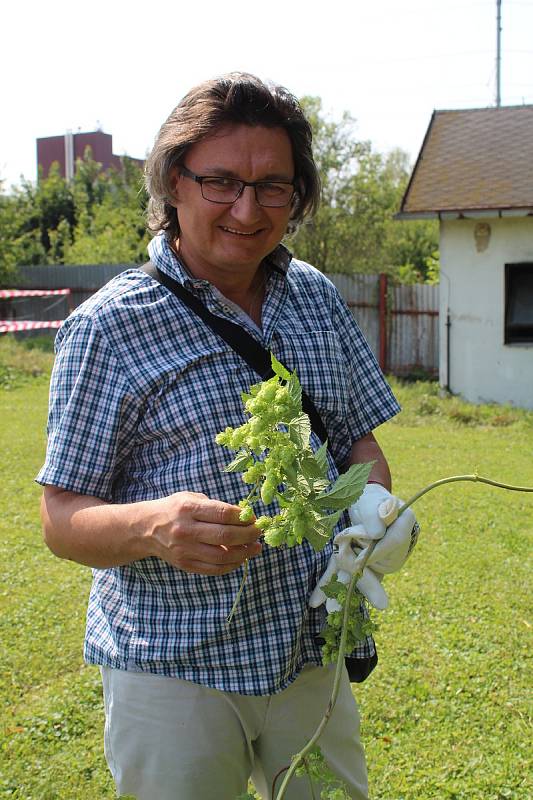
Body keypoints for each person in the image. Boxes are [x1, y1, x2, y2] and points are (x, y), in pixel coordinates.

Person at [37, 73, 417, 800]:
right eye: (220, 182)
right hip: (175, 669)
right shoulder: (107, 326)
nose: (247, 209)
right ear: (172, 184)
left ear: (295, 196)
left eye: (273, 185)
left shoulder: (314, 297)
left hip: (309, 651)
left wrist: (374, 510)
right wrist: (153, 526)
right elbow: (61, 519)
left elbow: (360, 445)